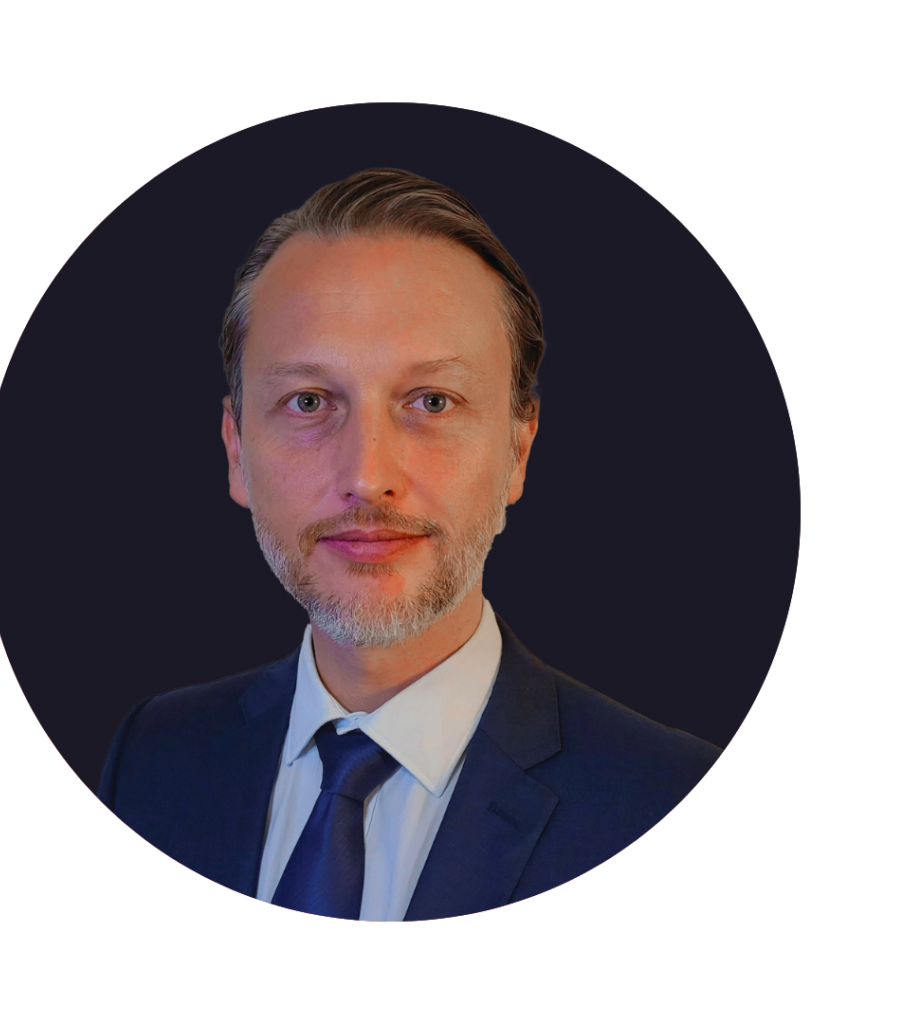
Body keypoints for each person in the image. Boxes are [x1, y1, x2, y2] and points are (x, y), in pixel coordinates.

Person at [97, 168, 722, 920]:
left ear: (518, 450)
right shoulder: (151, 756)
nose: (368, 477)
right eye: (308, 400)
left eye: (432, 401)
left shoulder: (665, 795)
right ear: (236, 450)